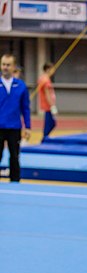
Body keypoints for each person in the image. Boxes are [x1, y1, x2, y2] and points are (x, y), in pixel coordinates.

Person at [0, 53, 30, 182]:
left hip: (14, 127)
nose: (5, 67)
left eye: (8, 65)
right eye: (3, 64)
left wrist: (27, 126)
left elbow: (25, 108)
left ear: (13, 67)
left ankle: (15, 181)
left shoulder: (21, 85)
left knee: (14, 156)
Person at [37, 62, 58, 142]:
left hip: (47, 105)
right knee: (51, 123)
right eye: (52, 69)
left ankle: (45, 137)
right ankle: (44, 138)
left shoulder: (43, 78)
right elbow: (47, 94)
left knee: (50, 123)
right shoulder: (45, 80)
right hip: (48, 105)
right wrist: (52, 106)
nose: (54, 71)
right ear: (48, 69)